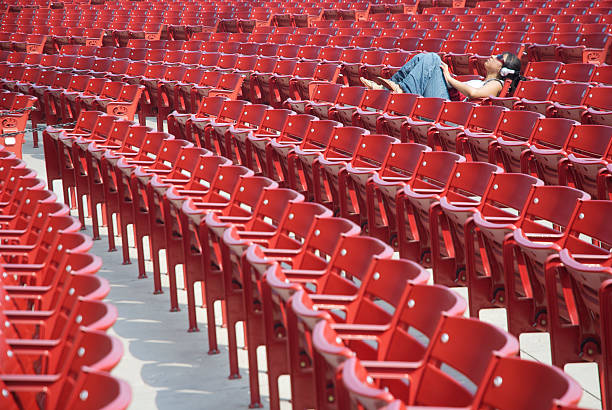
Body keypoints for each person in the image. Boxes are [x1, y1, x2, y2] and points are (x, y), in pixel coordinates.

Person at [360, 52, 522, 100]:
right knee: (423, 57)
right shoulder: (481, 80)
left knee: (432, 58)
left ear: (504, 70)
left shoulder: (498, 84)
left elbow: (473, 94)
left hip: (451, 116)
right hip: (447, 105)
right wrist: (447, 77)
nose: (493, 56)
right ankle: (389, 86)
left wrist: (449, 78)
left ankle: (401, 89)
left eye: (500, 58)